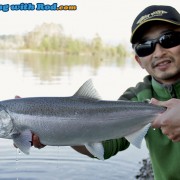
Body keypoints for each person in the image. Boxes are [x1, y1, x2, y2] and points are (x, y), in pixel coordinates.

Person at [31, 5, 180, 180]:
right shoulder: (137, 97)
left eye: (168, 39)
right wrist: (58, 131)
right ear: (139, 60)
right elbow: (105, 145)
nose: (159, 52)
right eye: (145, 46)